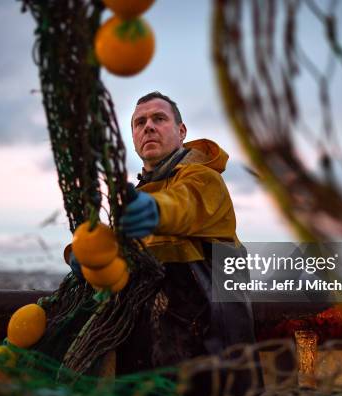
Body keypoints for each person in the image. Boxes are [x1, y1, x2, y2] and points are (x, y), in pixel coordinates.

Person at [70, 91, 256, 378]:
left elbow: (183, 203)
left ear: (181, 131)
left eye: (159, 118)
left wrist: (154, 210)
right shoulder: (137, 198)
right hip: (147, 357)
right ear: (133, 139)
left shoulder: (204, 178)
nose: (148, 127)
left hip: (210, 356)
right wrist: (85, 258)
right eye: (139, 122)